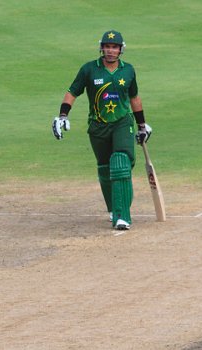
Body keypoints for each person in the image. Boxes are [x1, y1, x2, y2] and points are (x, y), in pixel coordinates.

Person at [52, 30, 152, 230]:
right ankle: (114, 208)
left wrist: (142, 125)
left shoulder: (128, 70)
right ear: (101, 48)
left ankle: (123, 216)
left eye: (114, 47)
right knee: (105, 169)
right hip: (98, 125)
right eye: (107, 46)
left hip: (122, 123)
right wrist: (63, 115)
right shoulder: (90, 69)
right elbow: (72, 92)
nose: (110, 50)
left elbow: (134, 98)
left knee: (121, 163)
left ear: (121, 49)